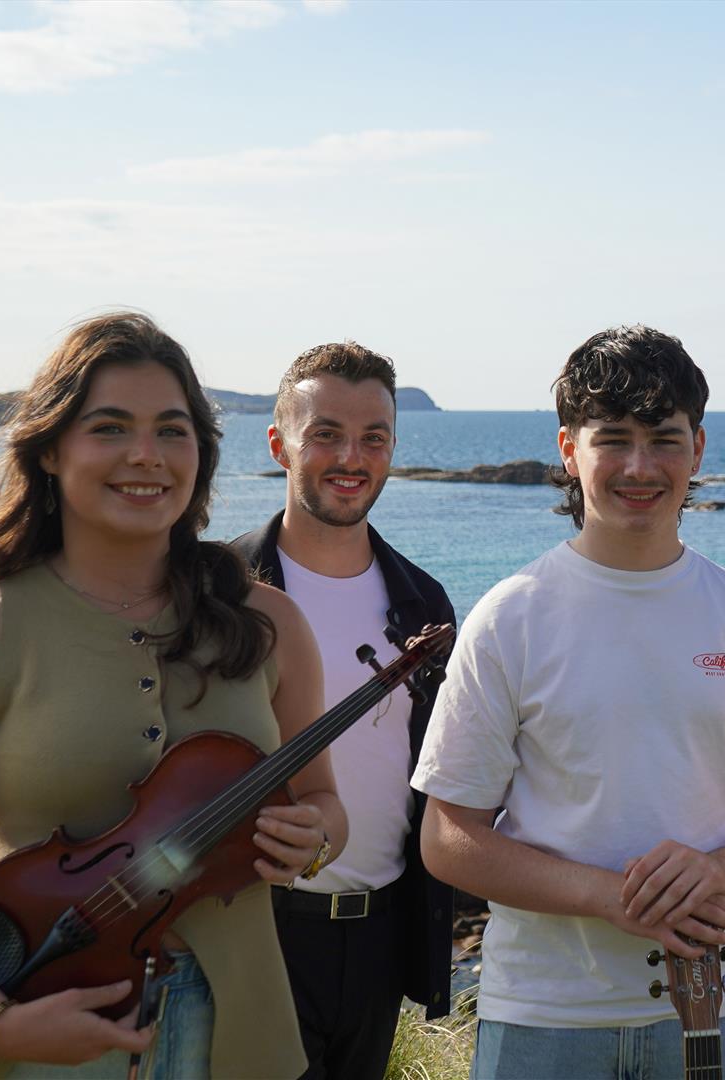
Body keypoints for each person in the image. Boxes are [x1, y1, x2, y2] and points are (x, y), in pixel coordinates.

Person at [0, 312, 344, 1079]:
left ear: (201, 454)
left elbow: (322, 804)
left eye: (172, 430)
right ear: (51, 448)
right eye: (110, 428)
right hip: (33, 1034)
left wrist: (313, 838)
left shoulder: (270, 622)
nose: (145, 456)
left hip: (237, 1040)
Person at [413, 325, 725, 1080]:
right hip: (542, 1011)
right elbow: (447, 836)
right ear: (569, 450)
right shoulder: (511, 616)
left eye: (664, 439)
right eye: (614, 439)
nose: (641, 467)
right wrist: (607, 896)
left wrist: (720, 873)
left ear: (698, 449)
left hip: (707, 1002)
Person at [229, 341, 458, 1080]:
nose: (350, 457)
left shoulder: (423, 601)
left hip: (381, 936)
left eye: (373, 438)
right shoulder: (219, 595)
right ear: (279, 445)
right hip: (249, 930)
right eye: (325, 433)